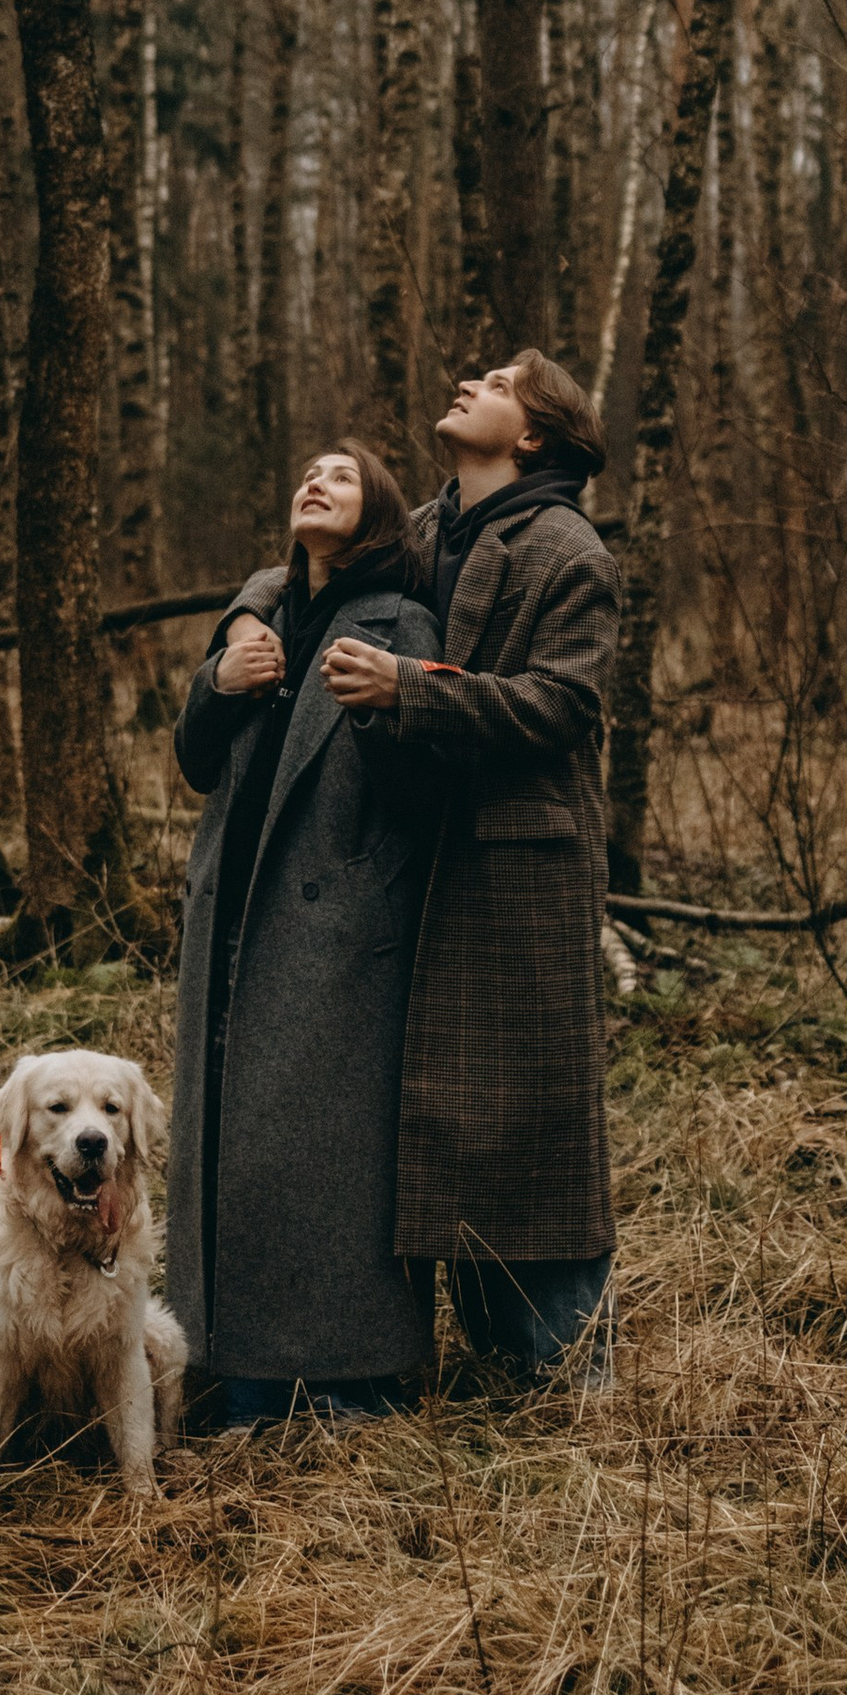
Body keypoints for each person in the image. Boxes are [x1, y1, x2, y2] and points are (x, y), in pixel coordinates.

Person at [319, 351, 619, 1380]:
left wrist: (412, 688)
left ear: (532, 434)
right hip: (410, 855)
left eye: (495, 381)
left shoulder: (567, 547)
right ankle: (454, 1360)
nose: (464, 381)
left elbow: (560, 704)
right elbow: (305, 577)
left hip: (517, 868)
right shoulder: (420, 533)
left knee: (526, 1118)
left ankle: (561, 1371)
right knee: (431, 1108)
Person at [165, 439, 443, 1427]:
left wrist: (383, 708)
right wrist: (219, 681)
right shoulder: (262, 612)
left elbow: (423, 787)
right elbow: (196, 761)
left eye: (343, 475)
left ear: (375, 516)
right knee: (229, 1147)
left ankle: (345, 1378)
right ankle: (234, 1373)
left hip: (335, 928)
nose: (315, 482)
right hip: (230, 906)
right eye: (308, 472)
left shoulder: (400, 618)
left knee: (317, 1155)